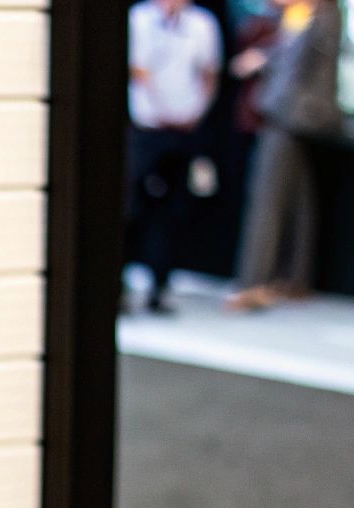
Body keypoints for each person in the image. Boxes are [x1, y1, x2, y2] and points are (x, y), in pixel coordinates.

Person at [225, 0, 344, 312]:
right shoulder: (300, 15)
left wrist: (263, 64)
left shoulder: (320, 15)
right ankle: (293, 278)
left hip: (288, 116)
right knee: (298, 197)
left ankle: (252, 284)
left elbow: (296, 62)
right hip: (294, 115)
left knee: (268, 199)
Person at [126, 0, 223, 315]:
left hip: (184, 131)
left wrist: (196, 112)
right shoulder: (140, 19)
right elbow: (139, 70)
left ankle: (159, 288)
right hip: (148, 129)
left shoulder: (202, 24)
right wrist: (164, 109)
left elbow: (209, 73)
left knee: (171, 212)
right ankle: (120, 287)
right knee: (132, 210)